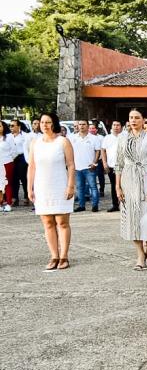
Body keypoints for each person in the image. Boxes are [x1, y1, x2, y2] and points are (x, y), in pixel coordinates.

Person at [27, 113, 75, 270]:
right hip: (42, 186)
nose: (44, 125)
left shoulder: (63, 141)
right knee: (48, 223)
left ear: (54, 123)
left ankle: (64, 256)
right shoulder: (35, 143)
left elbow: (71, 165)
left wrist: (70, 185)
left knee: (62, 222)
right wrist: (30, 187)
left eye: (48, 122)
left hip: (60, 185)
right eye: (42, 122)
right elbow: (32, 166)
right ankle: (54, 255)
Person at [116, 111, 147, 270]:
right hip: (128, 180)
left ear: (143, 120)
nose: (133, 120)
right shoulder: (122, 139)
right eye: (131, 118)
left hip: (146, 178)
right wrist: (117, 186)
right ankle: (139, 253)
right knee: (131, 218)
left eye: (137, 118)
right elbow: (119, 164)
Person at [70, 119, 101, 212]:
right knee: (80, 187)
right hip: (77, 167)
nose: (81, 126)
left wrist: (94, 163)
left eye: (84, 124)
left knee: (93, 187)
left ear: (87, 126)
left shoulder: (94, 138)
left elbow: (97, 151)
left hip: (89, 167)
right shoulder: (72, 138)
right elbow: (69, 152)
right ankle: (81, 205)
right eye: (80, 124)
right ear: (77, 126)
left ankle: (95, 205)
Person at [101, 121, 123, 212]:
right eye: (114, 125)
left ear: (121, 127)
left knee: (124, 186)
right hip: (111, 165)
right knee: (114, 185)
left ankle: (125, 204)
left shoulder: (125, 137)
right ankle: (115, 205)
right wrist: (104, 163)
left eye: (118, 125)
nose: (116, 127)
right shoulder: (107, 138)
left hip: (123, 166)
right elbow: (103, 150)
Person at [9, 119, 30, 206]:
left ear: (19, 126)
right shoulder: (9, 136)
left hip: (22, 158)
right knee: (14, 179)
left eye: (13, 125)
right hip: (12, 158)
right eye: (10, 126)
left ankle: (26, 196)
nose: (11, 128)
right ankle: (15, 198)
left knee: (24, 178)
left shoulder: (25, 136)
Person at [0, 121, 14, 211]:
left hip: (7, 163)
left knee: (7, 183)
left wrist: (9, 159)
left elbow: (14, 151)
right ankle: (0, 203)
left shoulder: (9, 137)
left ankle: (8, 203)